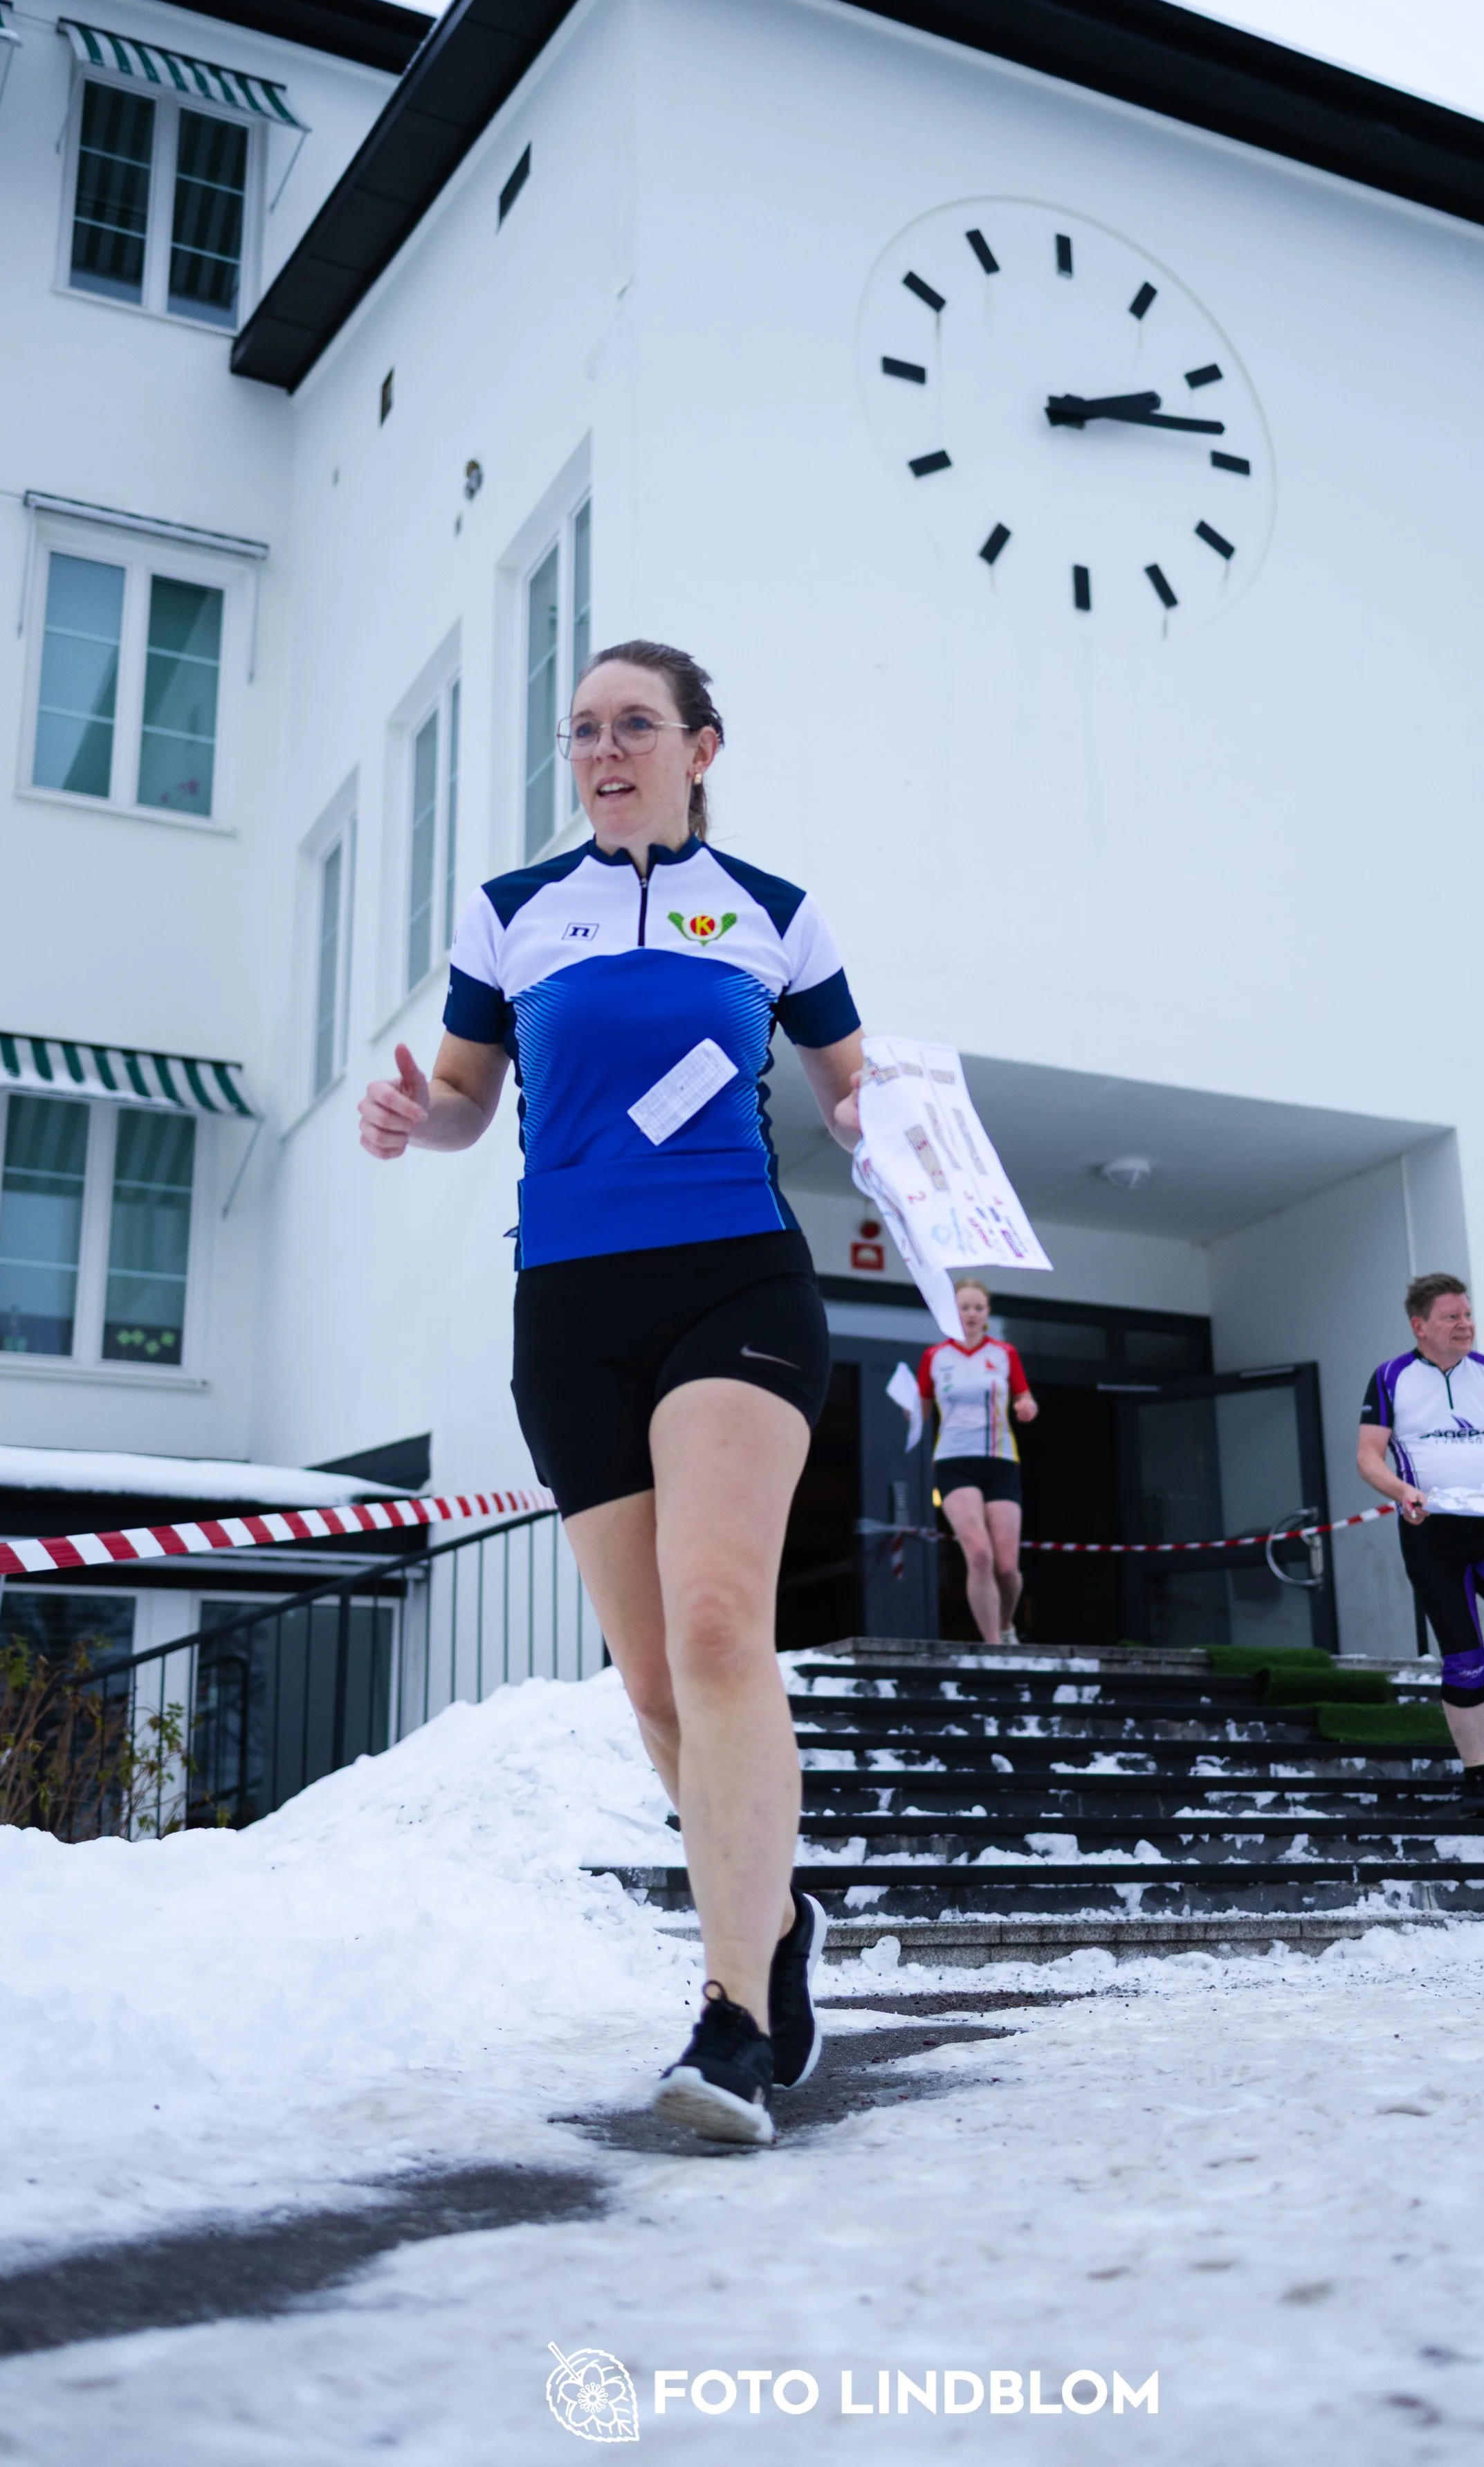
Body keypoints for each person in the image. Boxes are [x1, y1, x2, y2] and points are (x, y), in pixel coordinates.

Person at [358, 639, 865, 2147]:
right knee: (651, 1689)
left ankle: (731, 2021)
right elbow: (463, 1103)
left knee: (718, 1632)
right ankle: (773, 1923)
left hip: (736, 1282)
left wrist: (890, 1105)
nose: (600, 749)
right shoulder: (515, 914)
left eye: (632, 724)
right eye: (580, 730)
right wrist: (412, 1114)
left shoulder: (772, 911)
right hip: (571, 1305)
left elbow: (851, 1084)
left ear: (701, 746)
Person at [1356, 1273, 1484, 1804]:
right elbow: (1368, 1456)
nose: (1465, 1325)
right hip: (1431, 1533)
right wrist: (1402, 1490)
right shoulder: (1390, 1376)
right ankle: (1475, 1777)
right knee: (1464, 1657)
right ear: (1420, 1326)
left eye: (1468, 1315)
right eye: (1452, 1317)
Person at [918, 1280, 1038, 1644]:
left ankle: (1006, 1624)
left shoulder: (1004, 1353)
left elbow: (1025, 1398)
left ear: (987, 1314)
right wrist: (909, 1411)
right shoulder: (935, 1357)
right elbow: (921, 1410)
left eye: (977, 1308)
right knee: (981, 1555)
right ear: (951, 1312)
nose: (970, 1314)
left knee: (1008, 1569)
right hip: (954, 1460)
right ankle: (994, 1647)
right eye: (963, 1307)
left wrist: (1027, 1407)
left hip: (1000, 1459)